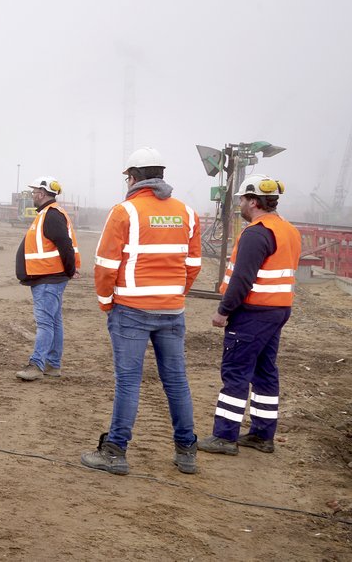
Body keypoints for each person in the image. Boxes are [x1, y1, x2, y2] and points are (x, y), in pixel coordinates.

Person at [82, 147, 202, 476]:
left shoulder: (125, 212)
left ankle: (115, 452)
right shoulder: (188, 213)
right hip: (171, 310)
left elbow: (106, 265)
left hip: (131, 309)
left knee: (129, 382)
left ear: (133, 178)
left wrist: (106, 301)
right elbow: (193, 265)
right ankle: (186, 451)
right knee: (176, 382)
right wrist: (174, 294)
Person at [198, 174, 301, 456]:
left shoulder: (256, 233)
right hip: (277, 310)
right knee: (265, 372)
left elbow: (242, 279)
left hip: (253, 312)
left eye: (242, 199)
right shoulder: (288, 230)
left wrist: (223, 311)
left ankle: (224, 437)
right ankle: (261, 435)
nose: (240, 205)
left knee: (236, 372)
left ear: (253, 201)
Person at [14, 176, 80, 380]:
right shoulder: (48, 214)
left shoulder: (51, 215)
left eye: (34, 192)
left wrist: (69, 270)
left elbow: (65, 245)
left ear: (42, 194)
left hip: (48, 278)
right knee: (54, 322)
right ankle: (53, 364)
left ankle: (36, 365)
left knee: (45, 323)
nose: (32, 195)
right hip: (49, 277)